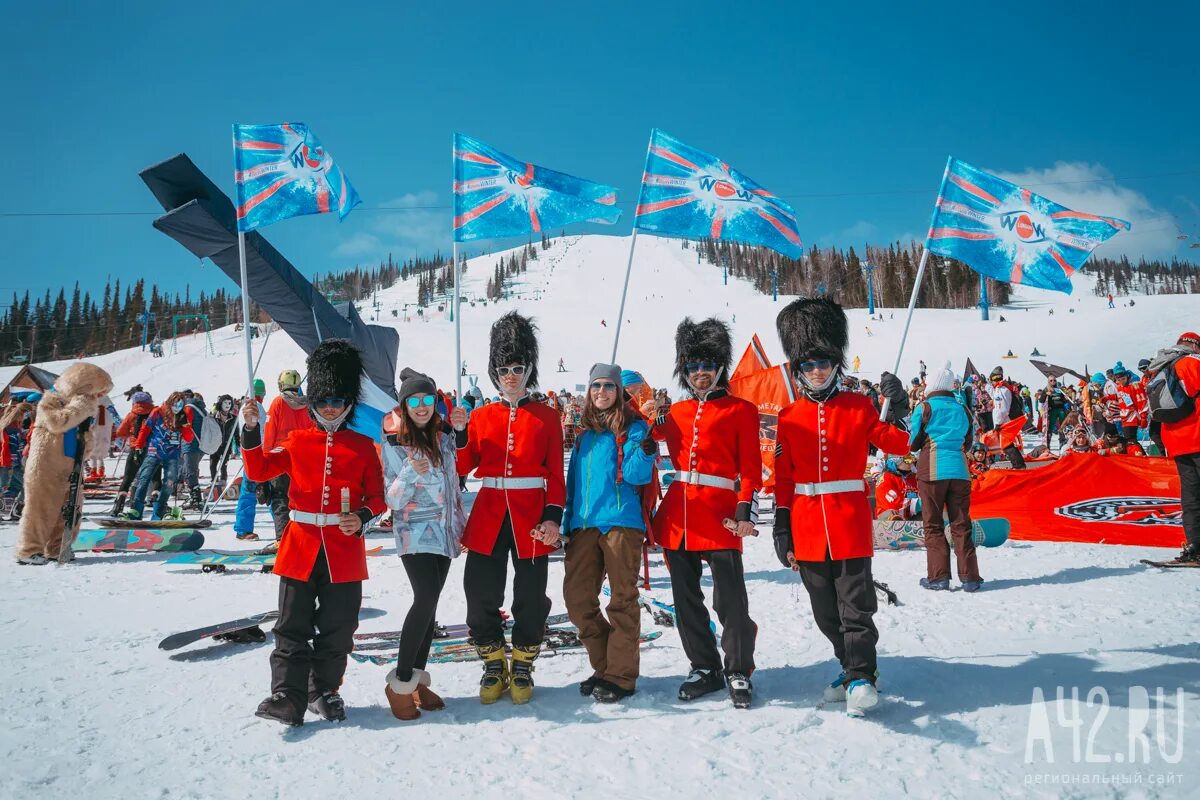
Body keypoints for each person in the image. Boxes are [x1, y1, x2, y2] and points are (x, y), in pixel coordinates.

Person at [771, 298, 910, 718]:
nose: (818, 370)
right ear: (798, 368)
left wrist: (900, 410)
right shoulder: (788, 416)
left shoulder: (859, 406)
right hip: (808, 524)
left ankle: (861, 675)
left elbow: (900, 445)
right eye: (810, 363)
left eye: (826, 361)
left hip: (848, 521)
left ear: (837, 364)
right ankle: (852, 668)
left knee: (856, 605)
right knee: (824, 610)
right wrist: (782, 526)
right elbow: (783, 478)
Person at [243, 339, 386, 727]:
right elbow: (257, 471)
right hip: (300, 544)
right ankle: (287, 696)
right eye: (323, 400)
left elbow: (378, 498)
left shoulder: (363, 446)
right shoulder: (297, 441)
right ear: (313, 401)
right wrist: (251, 430)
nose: (330, 407)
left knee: (339, 628)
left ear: (348, 403)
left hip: (344, 550)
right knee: (292, 625)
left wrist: (362, 515)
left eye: (338, 400)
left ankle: (323, 690)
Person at [449, 312, 565, 705]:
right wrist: (462, 434)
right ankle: (492, 661)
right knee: (479, 592)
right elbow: (464, 468)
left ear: (529, 368)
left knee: (531, 597)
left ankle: (523, 663)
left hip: (532, 514)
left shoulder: (548, 416)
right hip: (489, 512)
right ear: (494, 373)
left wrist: (553, 517)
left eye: (517, 368)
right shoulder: (481, 416)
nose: (510, 375)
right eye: (503, 369)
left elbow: (556, 476)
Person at [648, 317, 761, 709]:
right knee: (686, 600)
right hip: (678, 518)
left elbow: (750, 468)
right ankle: (704, 666)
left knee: (730, 600)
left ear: (720, 368)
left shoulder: (741, 410)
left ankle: (738, 668)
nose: (700, 373)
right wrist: (646, 416)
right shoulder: (675, 412)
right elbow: (641, 438)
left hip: (722, 517)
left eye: (707, 365)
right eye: (693, 366)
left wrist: (745, 508)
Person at [562, 363, 657, 704]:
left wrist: (645, 451)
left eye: (608, 386)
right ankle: (605, 665)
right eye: (596, 386)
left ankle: (621, 675)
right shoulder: (585, 435)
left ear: (618, 392)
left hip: (620, 522)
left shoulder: (632, 429)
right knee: (577, 600)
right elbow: (573, 484)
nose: (601, 392)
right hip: (584, 525)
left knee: (621, 600)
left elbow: (635, 476)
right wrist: (566, 522)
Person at [379, 368, 466, 720]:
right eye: (413, 400)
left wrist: (460, 431)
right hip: (415, 534)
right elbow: (393, 499)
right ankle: (399, 681)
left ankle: (415, 680)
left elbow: (460, 472)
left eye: (427, 399)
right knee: (424, 598)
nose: (421, 406)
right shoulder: (394, 443)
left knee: (431, 608)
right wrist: (410, 470)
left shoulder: (443, 438)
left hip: (445, 533)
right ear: (404, 405)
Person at [16, 364, 113, 564]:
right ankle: (29, 550)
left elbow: (84, 442)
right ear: (84, 387)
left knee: (69, 509)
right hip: (45, 466)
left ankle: (58, 548)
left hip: (70, 468)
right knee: (41, 508)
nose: (98, 397)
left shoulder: (83, 411)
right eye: (97, 392)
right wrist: (80, 407)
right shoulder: (51, 401)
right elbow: (57, 423)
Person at [910, 361, 981, 592]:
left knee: (933, 525)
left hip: (931, 470)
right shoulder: (963, 409)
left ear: (931, 384)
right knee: (961, 524)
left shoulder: (925, 407)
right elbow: (969, 441)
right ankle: (970, 577)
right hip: (959, 471)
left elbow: (912, 442)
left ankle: (938, 577)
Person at [1153, 332, 1200, 563]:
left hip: (1176, 441)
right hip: (1197, 434)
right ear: (1193, 344)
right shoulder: (1192, 363)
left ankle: (1195, 547)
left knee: (1191, 496)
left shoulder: (1160, 367)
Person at [123, 391, 192, 521]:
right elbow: (145, 429)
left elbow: (188, 438)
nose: (177, 408)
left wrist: (186, 425)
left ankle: (159, 512)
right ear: (170, 402)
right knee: (144, 480)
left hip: (172, 455)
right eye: (175, 405)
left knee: (169, 483)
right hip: (154, 451)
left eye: (180, 405)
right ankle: (136, 511)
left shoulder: (182, 417)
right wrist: (138, 446)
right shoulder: (157, 412)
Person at [262, 369, 313, 537]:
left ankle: (283, 537)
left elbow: (270, 431)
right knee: (301, 499)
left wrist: (266, 456)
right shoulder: (307, 404)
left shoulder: (278, 402)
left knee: (279, 498)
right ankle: (302, 535)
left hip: (281, 456)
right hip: (302, 458)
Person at [108, 391, 155, 517]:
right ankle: (158, 506)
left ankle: (118, 506)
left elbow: (121, 432)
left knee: (128, 479)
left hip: (135, 450)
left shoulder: (131, 415)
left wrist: (131, 434)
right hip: (152, 450)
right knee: (155, 478)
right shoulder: (155, 414)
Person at [234, 379, 269, 540]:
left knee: (249, 493)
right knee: (269, 493)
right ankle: (282, 529)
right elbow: (262, 433)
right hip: (258, 456)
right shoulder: (256, 408)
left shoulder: (245, 408)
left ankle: (243, 528)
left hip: (249, 456)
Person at [207, 395, 239, 501]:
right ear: (220, 404)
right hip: (215, 444)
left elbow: (236, 433)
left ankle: (223, 481)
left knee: (224, 464)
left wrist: (238, 446)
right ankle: (213, 481)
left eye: (229, 403)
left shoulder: (233, 418)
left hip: (226, 445)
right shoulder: (213, 417)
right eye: (225, 403)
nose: (227, 406)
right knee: (213, 464)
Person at [1037, 377, 1070, 450]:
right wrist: (1046, 394)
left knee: (1062, 427)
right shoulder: (1046, 389)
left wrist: (1066, 398)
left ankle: (1062, 444)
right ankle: (1047, 445)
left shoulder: (1059, 389)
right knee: (1050, 427)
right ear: (1048, 381)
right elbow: (1041, 401)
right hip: (1052, 410)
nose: (1053, 382)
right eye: (1051, 380)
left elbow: (1063, 400)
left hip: (1061, 410)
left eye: (1054, 380)